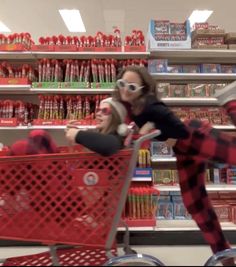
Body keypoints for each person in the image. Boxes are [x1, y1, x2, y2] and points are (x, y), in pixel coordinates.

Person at [112, 65, 236, 262]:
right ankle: (226, 258)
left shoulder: (150, 105)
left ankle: (230, 102)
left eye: (132, 86)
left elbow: (179, 130)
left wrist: (151, 127)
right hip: (183, 151)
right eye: (122, 84)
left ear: (143, 89)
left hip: (194, 138)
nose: (125, 89)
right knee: (195, 205)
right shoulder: (131, 108)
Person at [65, 97, 130, 156]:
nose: (98, 114)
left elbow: (109, 145)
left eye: (104, 111)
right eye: (98, 110)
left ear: (115, 117)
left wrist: (77, 134)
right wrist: (72, 139)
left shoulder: (118, 137)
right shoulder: (99, 136)